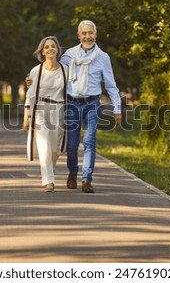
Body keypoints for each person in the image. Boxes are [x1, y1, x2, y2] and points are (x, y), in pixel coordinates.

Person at [26, 20, 121, 193]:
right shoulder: (69, 56)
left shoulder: (103, 57)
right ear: (78, 35)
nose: (87, 36)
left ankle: (87, 179)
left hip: (92, 103)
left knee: (90, 141)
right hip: (71, 103)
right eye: (84, 33)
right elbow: (54, 73)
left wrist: (117, 108)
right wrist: (32, 80)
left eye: (90, 33)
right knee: (72, 143)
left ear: (95, 34)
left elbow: (111, 85)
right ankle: (73, 173)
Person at [23, 36, 67, 192]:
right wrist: (26, 117)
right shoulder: (37, 70)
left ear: (57, 49)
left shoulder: (64, 69)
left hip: (59, 110)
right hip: (40, 109)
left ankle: (50, 173)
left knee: (56, 150)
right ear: (42, 51)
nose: (50, 49)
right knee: (44, 146)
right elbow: (30, 94)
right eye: (47, 47)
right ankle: (48, 181)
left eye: (53, 46)